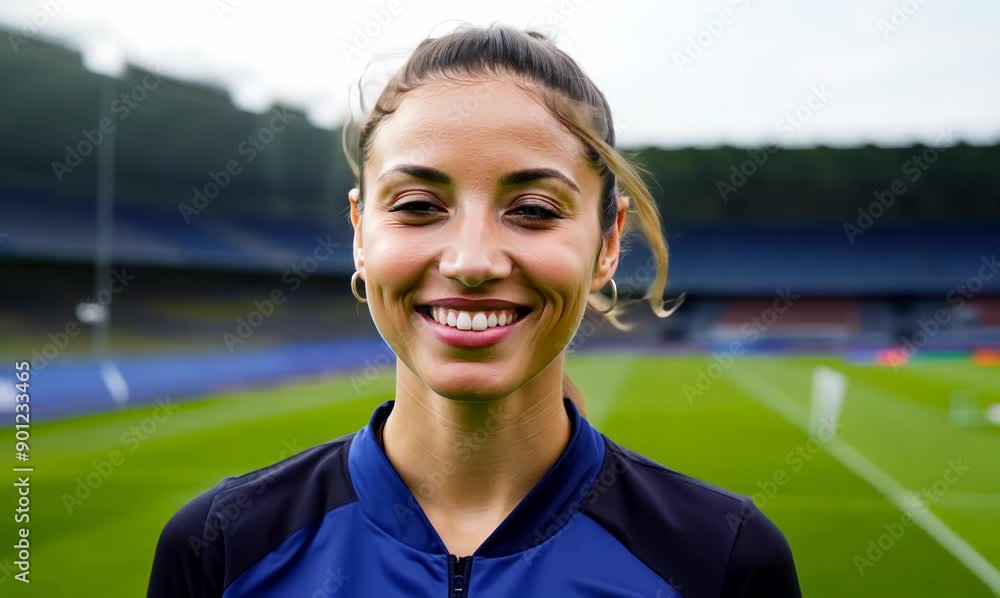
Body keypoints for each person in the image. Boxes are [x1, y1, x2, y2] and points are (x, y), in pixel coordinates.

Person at [147, 24, 801, 597]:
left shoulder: (724, 560)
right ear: (359, 232)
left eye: (535, 211)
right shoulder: (220, 550)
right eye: (418, 207)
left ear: (607, 245)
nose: (471, 260)